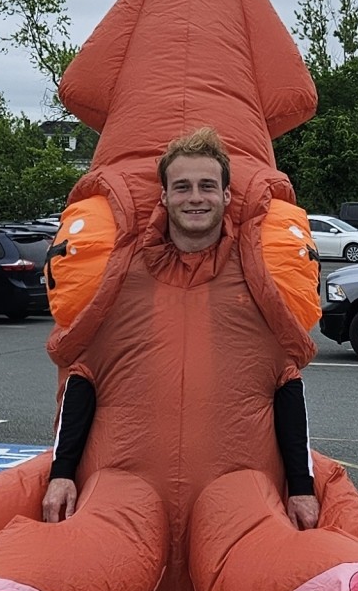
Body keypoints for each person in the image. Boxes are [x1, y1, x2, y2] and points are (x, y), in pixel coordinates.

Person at [38, 129, 319, 534]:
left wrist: (302, 486)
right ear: (164, 197)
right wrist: (61, 473)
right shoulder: (121, 276)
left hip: (236, 507)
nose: (195, 198)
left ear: (226, 195)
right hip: (124, 503)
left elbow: (287, 384)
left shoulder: (259, 281)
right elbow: (84, 376)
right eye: (182, 187)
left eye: (207, 186)